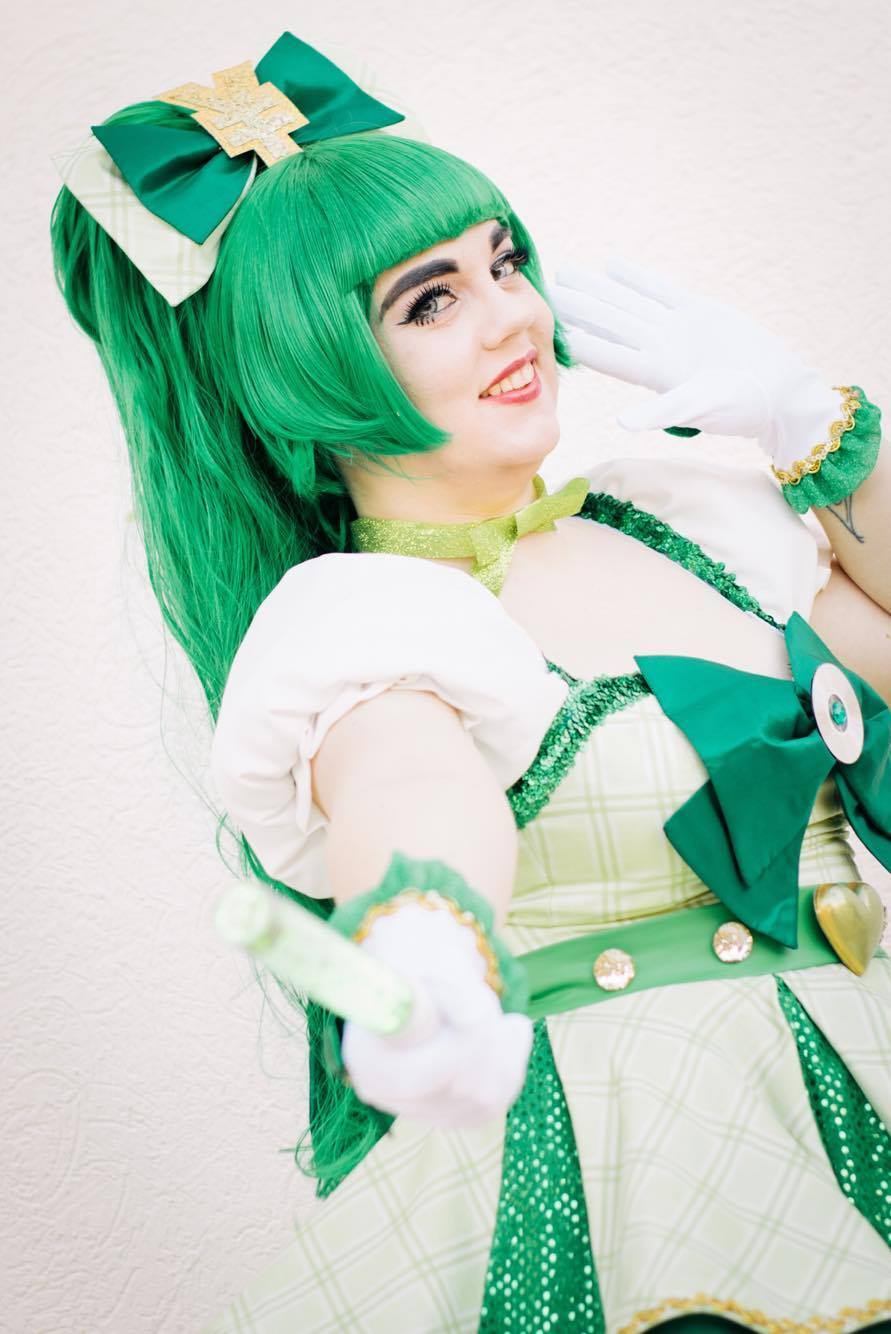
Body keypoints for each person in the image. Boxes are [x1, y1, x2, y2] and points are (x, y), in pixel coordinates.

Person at [50, 30, 891, 1334]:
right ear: (306, 372)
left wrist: (816, 428)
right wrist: (426, 935)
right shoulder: (367, 621)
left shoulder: (680, 522)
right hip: (649, 1154)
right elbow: (415, 790)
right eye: (429, 301)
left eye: (502, 262)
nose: (515, 314)